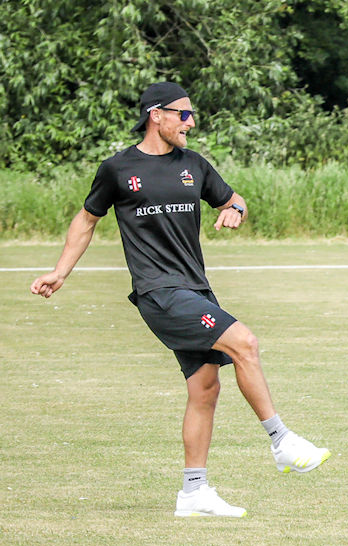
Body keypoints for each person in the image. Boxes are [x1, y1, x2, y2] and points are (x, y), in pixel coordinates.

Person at [29, 82, 330, 517]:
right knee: (243, 341)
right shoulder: (117, 169)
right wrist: (60, 271)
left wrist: (235, 210)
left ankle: (193, 492)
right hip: (158, 291)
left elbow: (233, 198)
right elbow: (87, 218)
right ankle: (282, 441)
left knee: (205, 388)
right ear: (157, 115)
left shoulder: (194, 165)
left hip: (195, 288)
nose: (191, 122)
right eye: (183, 114)